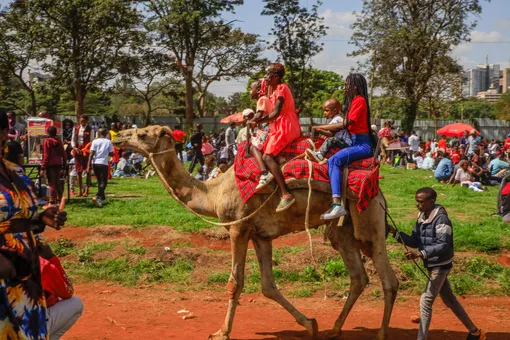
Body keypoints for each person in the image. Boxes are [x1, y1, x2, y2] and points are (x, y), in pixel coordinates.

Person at [0, 110, 67, 339]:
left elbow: (23, 213)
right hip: (2, 269)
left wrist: (42, 217)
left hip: (26, 273)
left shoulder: (15, 172)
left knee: (28, 332)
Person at [389, 187, 486, 340]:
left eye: (420, 202)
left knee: (426, 301)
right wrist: (394, 232)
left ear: (431, 202)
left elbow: (443, 245)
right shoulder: (422, 216)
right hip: (433, 263)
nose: (417, 205)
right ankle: (475, 332)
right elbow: (415, 241)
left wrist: (420, 254)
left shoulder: (441, 219)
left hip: (441, 265)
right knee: (449, 300)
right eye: (416, 201)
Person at [321, 73, 374, 219]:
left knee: (334, 161)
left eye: (347, 84)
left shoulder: (359, 100)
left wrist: (320, 126)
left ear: (355, 86)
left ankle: (337, 204)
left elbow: (346, 124)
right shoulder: (354, 102)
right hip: (355, 141)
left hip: (362, 144)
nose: (344, 87)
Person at [250, 63, 302, 212]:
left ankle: (286, 194)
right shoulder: (273, 91)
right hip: (278, 126)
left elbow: (276, 114)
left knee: (267, 157)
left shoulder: (282, 88)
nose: (265, 77)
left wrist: (256, 121)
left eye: (268, 75)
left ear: (276, 77)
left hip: (286, 125)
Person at [38, 240, 84, 340]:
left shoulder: (4, 261)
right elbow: (68, 292)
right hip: (24, 329)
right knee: (76, 303)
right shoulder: (42, 266)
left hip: (5, 326)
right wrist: (51, 258)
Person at [306, 98, 352, 163]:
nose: (324, 113)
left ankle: (320, 155)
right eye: (324, 111)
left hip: (345, 143)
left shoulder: (337, 119)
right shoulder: (336, 119)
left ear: (335, 111)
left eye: (326, 110)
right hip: (341, 141)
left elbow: (330, 134)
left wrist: (319, 130)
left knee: (329, 140)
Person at [87, 128, 114, 207]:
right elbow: (111, 154)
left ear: (98, 134)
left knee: (99, 180)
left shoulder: (95, 141)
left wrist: (88, 165)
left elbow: (91, 154)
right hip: (103, 163)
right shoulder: (108, 142)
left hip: (95, 163)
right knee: (104, 181)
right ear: (106, 133)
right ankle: (97, 196)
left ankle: (102, 196)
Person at [41, 126, 67, 205]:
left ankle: (52, 200)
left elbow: (46, 155)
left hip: (50, 164)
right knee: (57, 182)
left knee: (51, 182)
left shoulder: (47, 141)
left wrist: (43, 166)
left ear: (48, 132)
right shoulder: (59, 142)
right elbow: (64, 154)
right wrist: (64, 165)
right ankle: (60, 199)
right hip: (58, 164)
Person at [71, 115, 94, 196]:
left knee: (87, 171)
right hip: (78, 151)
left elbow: (92, 141)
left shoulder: (90, 130)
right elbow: (73, 140)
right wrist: (75, 148)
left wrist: (87, 149)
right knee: (78, 171)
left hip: (86, 151)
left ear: (87, 121)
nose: (83, 123)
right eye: (81, 121)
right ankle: (80, 190)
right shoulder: (76, 128)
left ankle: (86, 190)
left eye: (84, 121)